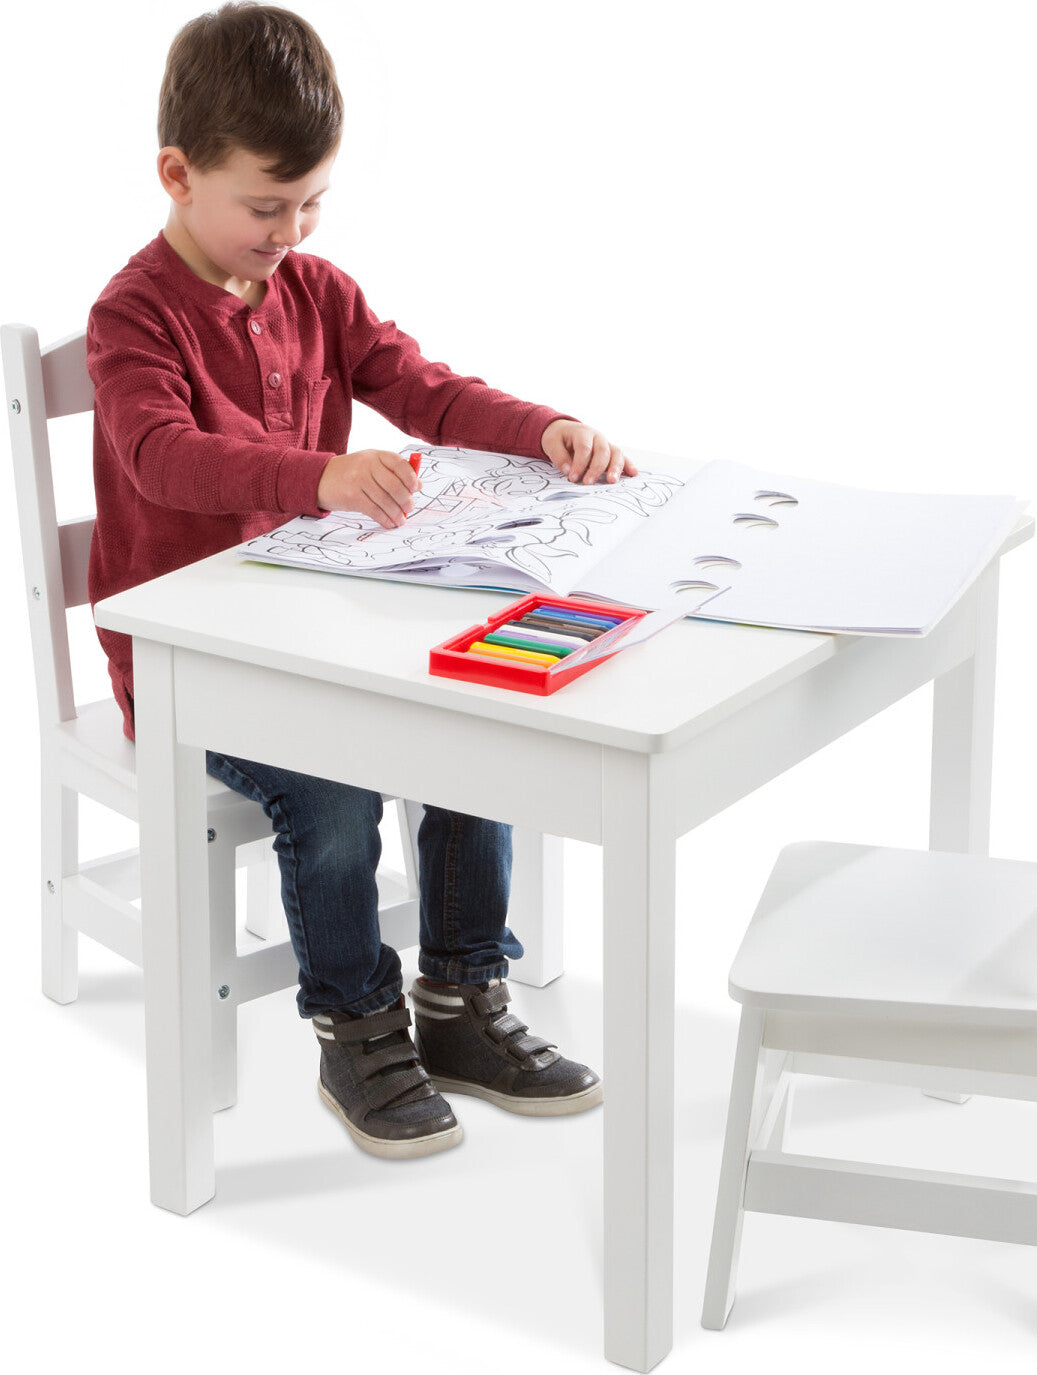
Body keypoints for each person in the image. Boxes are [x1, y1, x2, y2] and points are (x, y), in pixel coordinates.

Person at [87, 1, 625, 1159]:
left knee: (470, 733)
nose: (290, 229)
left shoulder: (318, 290)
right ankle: (355, 1022)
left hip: (316, 626)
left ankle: (460, 998)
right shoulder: (132, 315)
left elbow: (422, 387)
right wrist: (319, 473)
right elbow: (156, 453)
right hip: (191, 657)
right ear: (178, 176)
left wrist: (545, 427)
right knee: (332, 793)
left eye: (312, 202)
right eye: (265, 206)